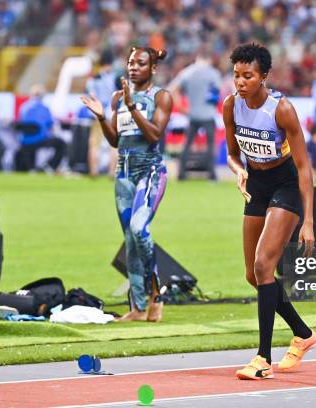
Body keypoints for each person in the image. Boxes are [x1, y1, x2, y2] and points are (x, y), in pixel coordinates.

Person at [223, 43, 316, 380]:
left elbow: (305, 167)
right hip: (256, 184)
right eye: (236, 75)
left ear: (264, 76)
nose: (240, 82)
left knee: (265, 265)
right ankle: (304, 335)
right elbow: (232, 153)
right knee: (254, 274)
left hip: (286, 184)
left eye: (247, 75)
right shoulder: (231, 106)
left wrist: (308, 221)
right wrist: (239, 170)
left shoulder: (282, 110)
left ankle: (262, 358)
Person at [81, 47, 173, 322]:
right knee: (130, 242)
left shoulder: (161, 97)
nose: (133, 68)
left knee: (139, 229)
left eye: (140, 63)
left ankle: (157, 293)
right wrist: (100, 116)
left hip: (151, 170)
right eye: (131, 63)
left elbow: (155, 134)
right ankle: (138, 306)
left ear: (153, 69)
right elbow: (114, 141)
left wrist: (132, 106)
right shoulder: (116, 98)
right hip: (124, 173)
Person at [168, 49, 222, 181]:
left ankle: (181, 174)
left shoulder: (187, 72)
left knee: (187, 144)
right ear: (208, 59)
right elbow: (215, 95)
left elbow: (171, 90)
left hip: (192, 114)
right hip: (208, 114)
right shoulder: (213, 73)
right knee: (210, 144)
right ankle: (212, 175)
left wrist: (181, 107)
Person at [15, 84, 66, 173]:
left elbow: (20, 123)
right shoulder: (44, 108)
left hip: (24, 141)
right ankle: (49, 166)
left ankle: (33, 168)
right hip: (40, 140)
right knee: (61, 143)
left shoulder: (24, 107)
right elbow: (50, 125)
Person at [86, 50, 118, 178]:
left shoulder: (94, 78)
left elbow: (90, 95)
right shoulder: (116, 78)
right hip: (111, 113)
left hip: (97, 113)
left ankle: (94, 171)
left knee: (94, 143)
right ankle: (111, 172)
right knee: (113, 144)